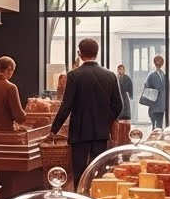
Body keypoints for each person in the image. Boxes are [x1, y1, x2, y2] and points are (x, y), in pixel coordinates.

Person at [50, 38, 122, 184]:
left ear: (80, 53)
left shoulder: (74, 75)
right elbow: (118, 105)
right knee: (99, 170)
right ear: (97, 53)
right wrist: (106, 119)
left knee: (79, 172)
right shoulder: (110, 75)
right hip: (101, 132)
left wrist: (54, 130)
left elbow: (66, 106)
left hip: (79, 132)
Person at [142, 55, 167, 129]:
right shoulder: (151, 75)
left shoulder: (164, 75)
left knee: (160, 124)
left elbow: (167, 87)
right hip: (154, 103)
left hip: (161, 104)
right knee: (154, 125)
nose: (158, 63)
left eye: (160, 61)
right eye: (157, 61)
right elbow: (146, 87)